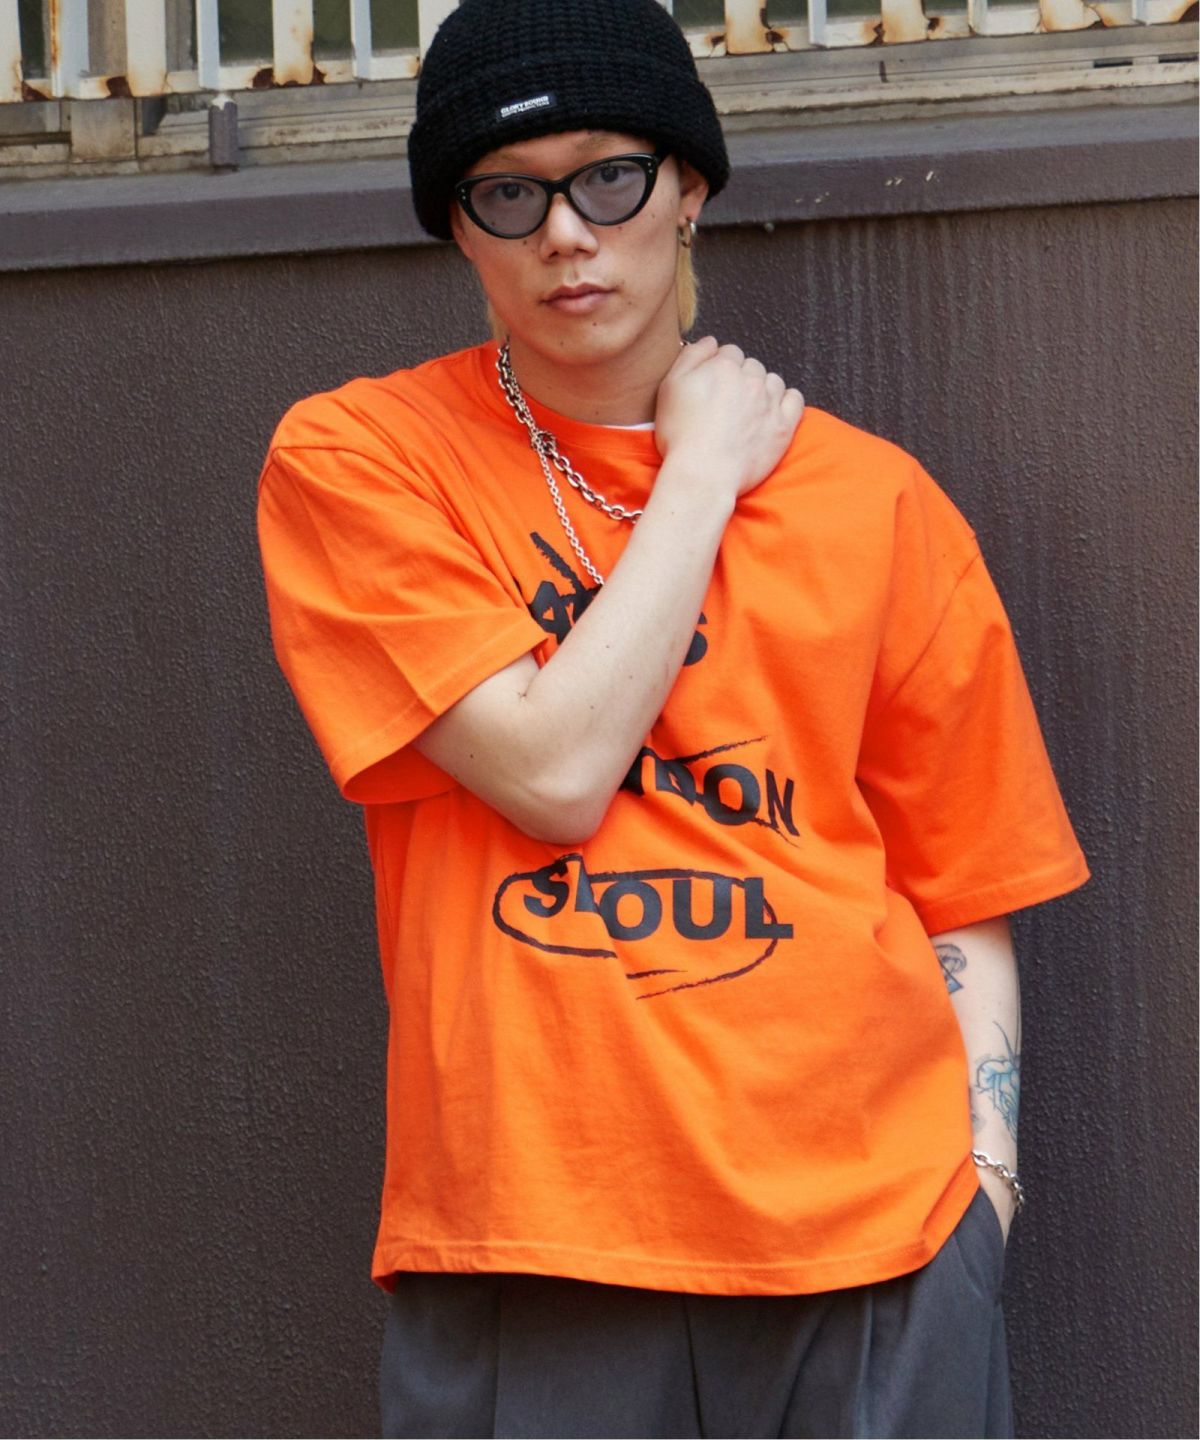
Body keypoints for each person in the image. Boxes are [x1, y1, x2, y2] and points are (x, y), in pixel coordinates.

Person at [256, 1, 1089, 1434]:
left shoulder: (874, 502)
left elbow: (963, 885)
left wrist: (984, 1193)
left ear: (688, 187)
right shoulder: (361, 460)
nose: (564, 234)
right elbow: (552, 771)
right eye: (508, 194)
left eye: (609, 178)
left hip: (880, 1252)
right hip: (539, 1248)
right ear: (460, 230)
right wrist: (696, 474)